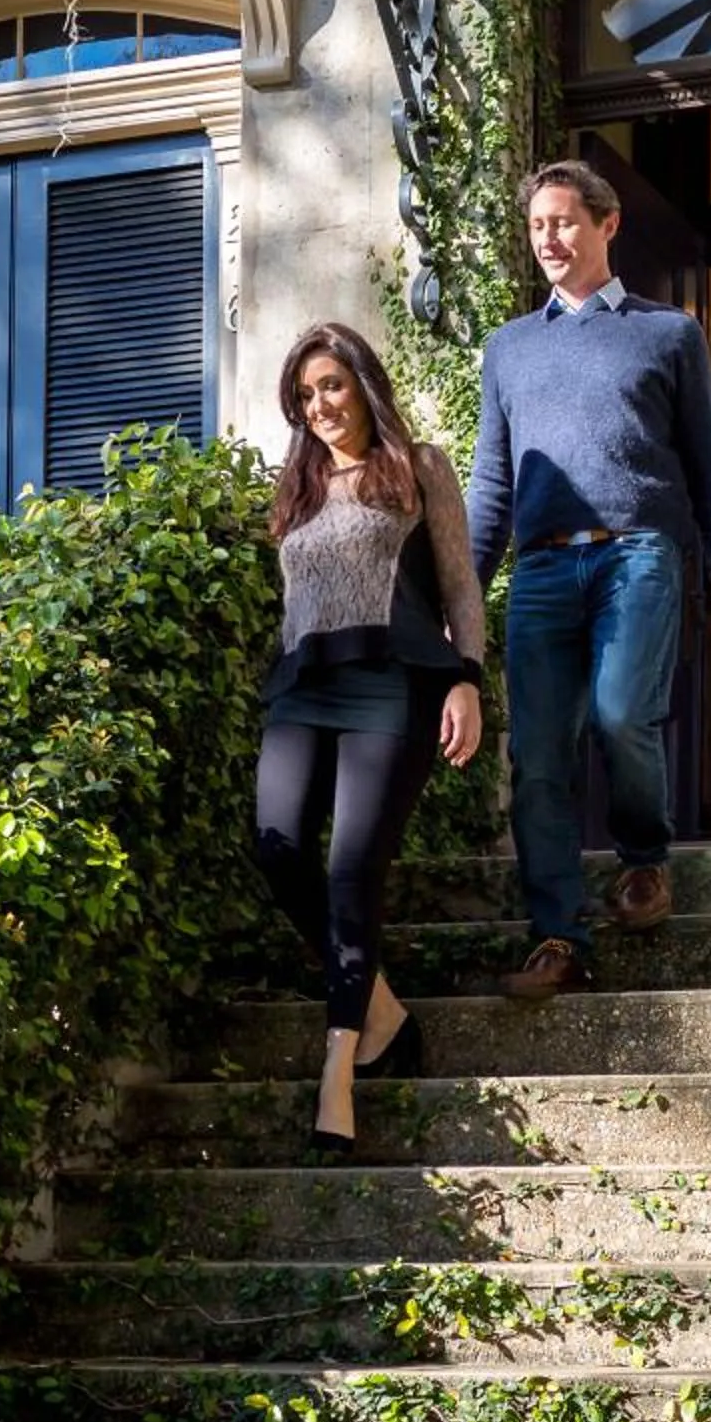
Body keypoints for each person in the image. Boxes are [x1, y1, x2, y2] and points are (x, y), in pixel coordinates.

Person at [465, 160, 711, 1000]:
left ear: (607, 224)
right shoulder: (509, 348)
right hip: (544, 566)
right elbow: (491, 486)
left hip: (640, 551)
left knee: (624, 713)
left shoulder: (668, 335)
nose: (550, 241)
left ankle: (642, 861)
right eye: (537, 228)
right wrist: (463, 601)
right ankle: (556, 936)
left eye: (563, 223)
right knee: (539, 755)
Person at [256, 321, 488, 1151]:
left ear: (363, 383)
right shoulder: (298, 485)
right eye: (306, 394)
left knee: (351, 866)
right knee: (278, 845)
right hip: (305, 687)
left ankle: (338, 1068)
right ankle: (383, 1012)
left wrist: (467, 679)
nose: (320, 405)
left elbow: (461, 587)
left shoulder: (419, 466)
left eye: (332, 386)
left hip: (393, 683)